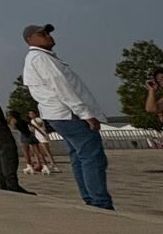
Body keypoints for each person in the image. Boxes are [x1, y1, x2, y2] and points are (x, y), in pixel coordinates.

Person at [22, 24, 112, 210]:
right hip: (70, 114)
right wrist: (85, 113)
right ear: (29, 40)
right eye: (42, 34)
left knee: (79, 157)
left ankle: (91, 198)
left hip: (60, 115)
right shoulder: (40, 58)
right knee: (91, 157)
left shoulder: (41, 58)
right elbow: (61, 86)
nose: (48, 36)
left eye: (48, 33)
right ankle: (100, 201)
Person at [10, 110, 42, 176]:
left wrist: (11, 121)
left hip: (24, 136)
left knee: (26, 152)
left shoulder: (14, 121)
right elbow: (32, 125)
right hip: (31, 135)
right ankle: (41, 164)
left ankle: (29, 166)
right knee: (37, 151)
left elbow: (13, 128)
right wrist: (42, 133)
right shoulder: (23, 120)